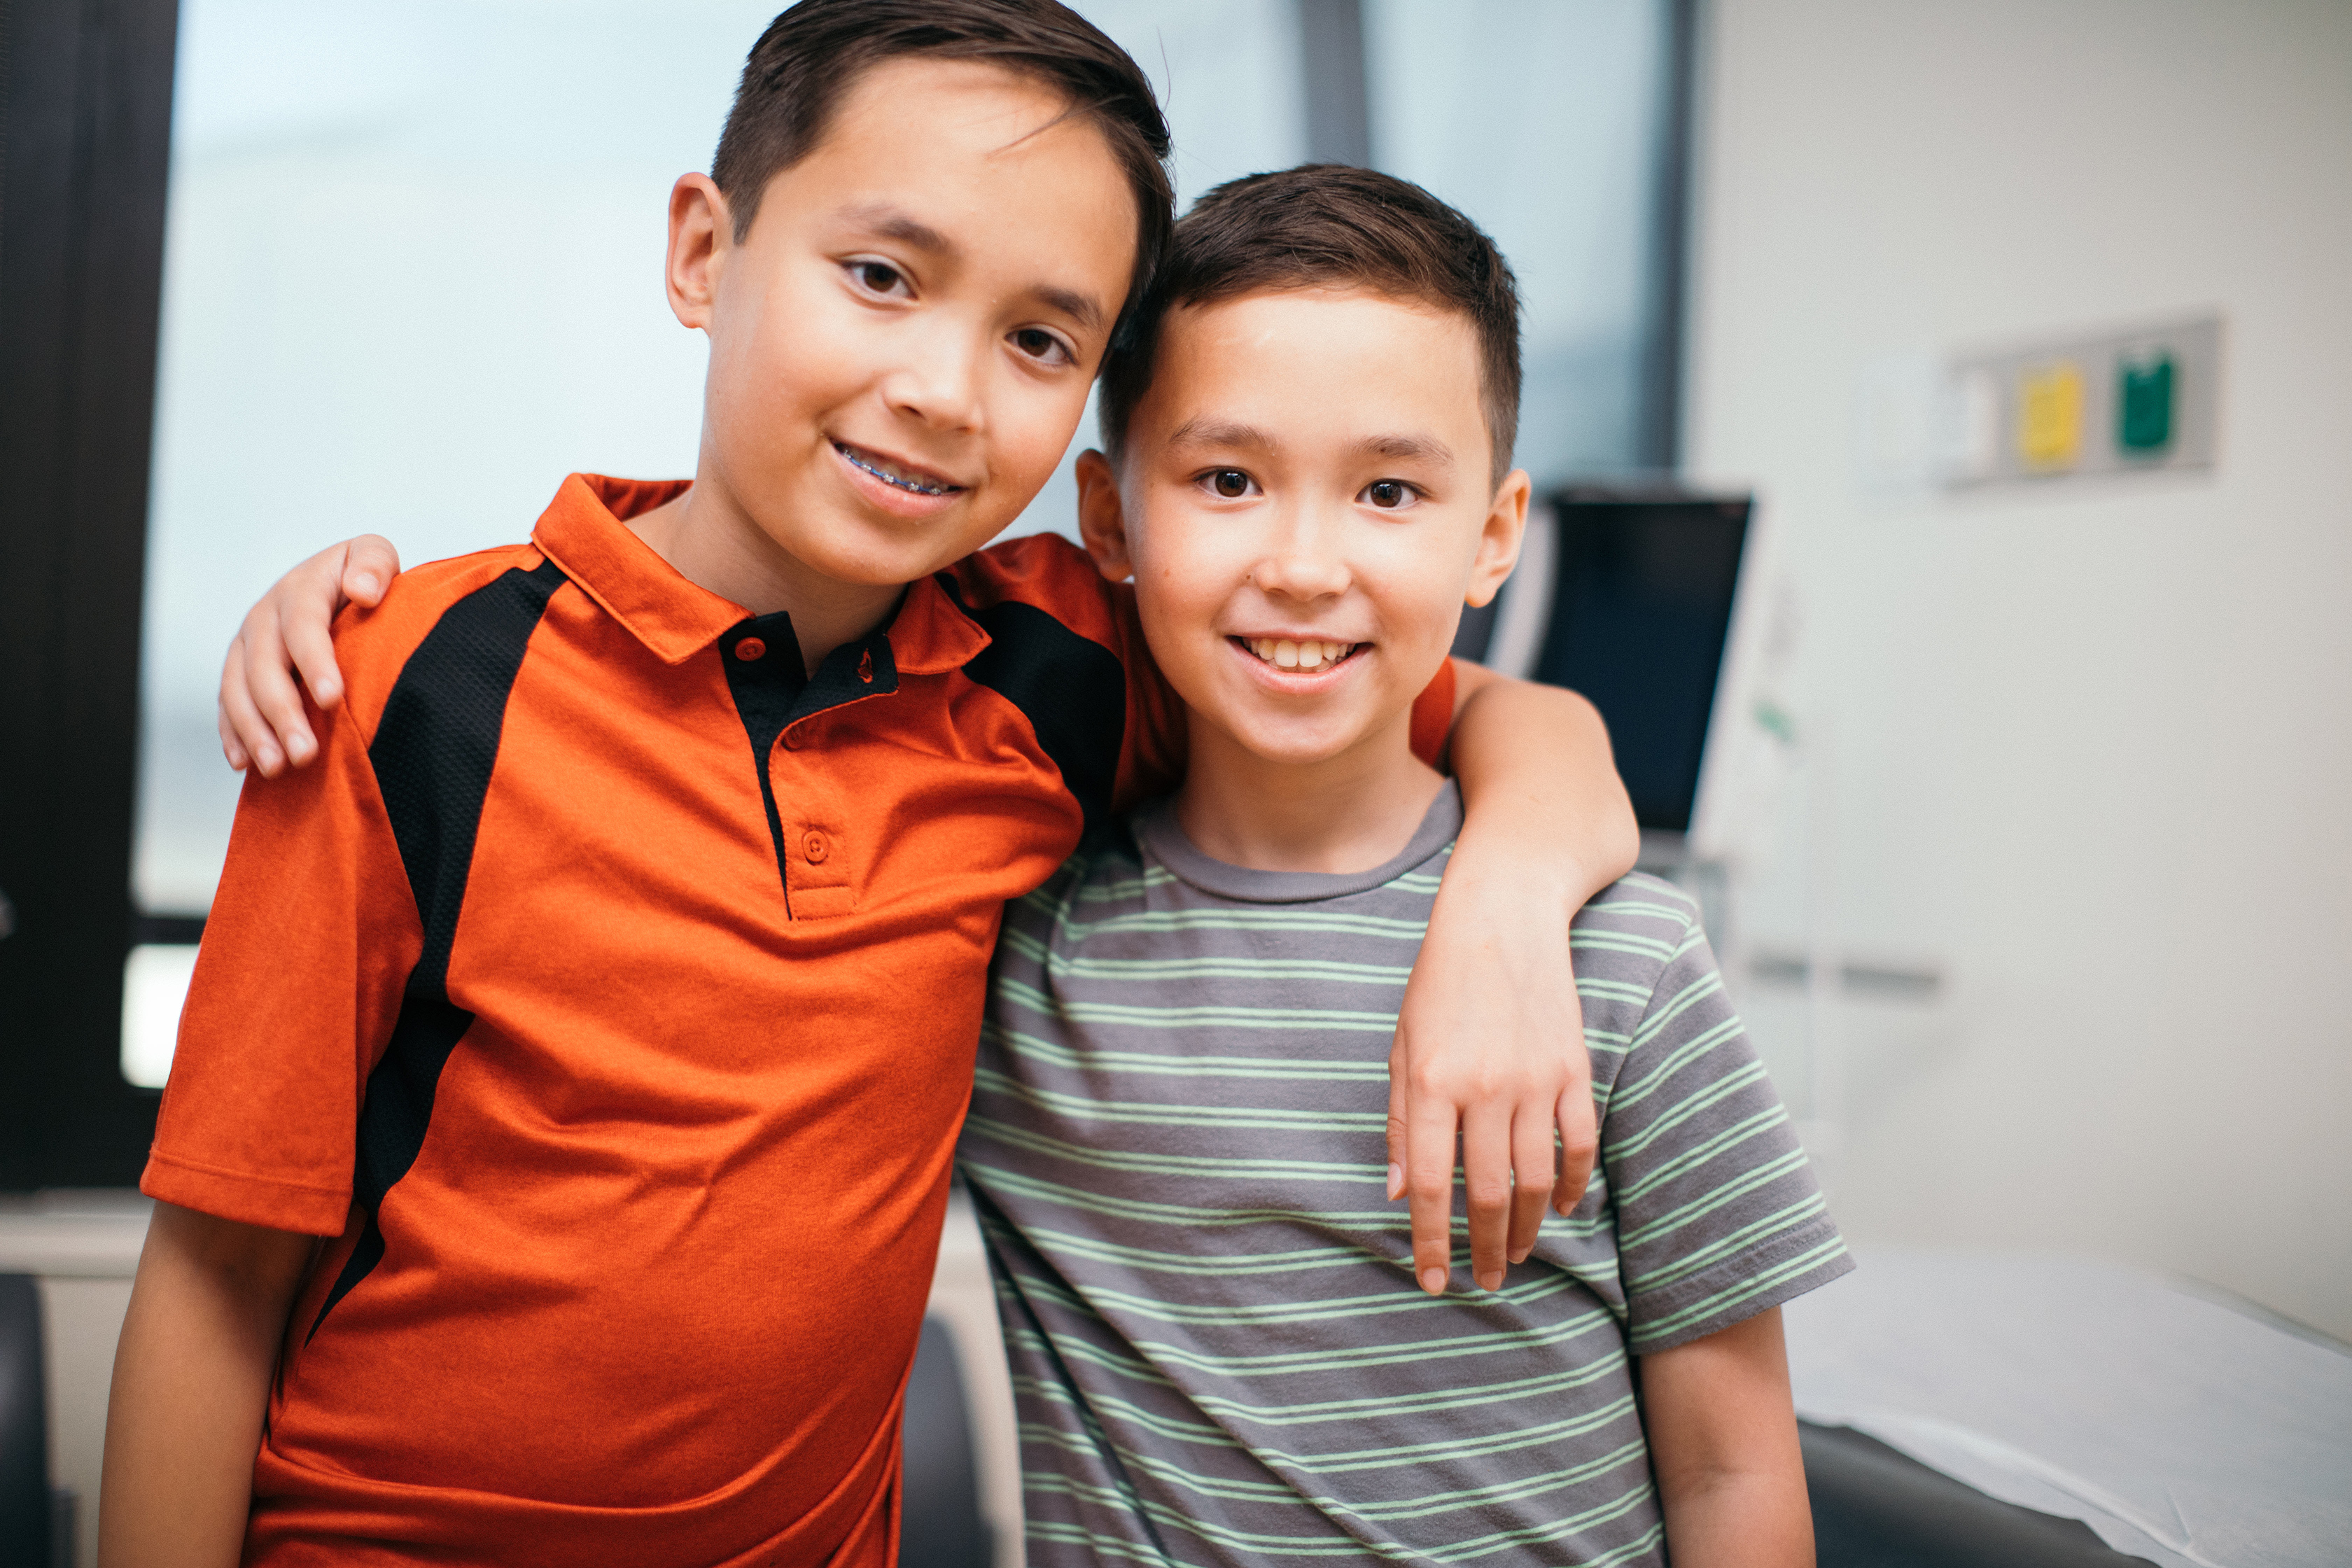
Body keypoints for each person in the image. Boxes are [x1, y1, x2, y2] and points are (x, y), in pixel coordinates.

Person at [104, 5, 1640, 1566]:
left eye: (1042, 339)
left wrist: (1504, 919)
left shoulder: (1061, 671)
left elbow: (1514, 718)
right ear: (705, 253)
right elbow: (216, 1276)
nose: (945, 389)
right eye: (883, 277)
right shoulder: (400, 680)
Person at [962, 164, 1851, 1567]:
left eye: (1387, 489)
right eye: (1229, 479)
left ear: (1494, 536)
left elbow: (1736, 1469)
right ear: (1113, 518)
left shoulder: (1620, 960)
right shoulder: (1010, 957)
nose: (1307, 564)